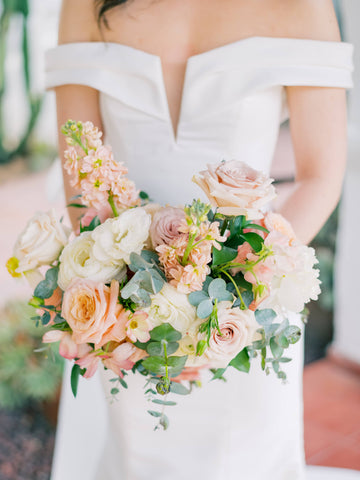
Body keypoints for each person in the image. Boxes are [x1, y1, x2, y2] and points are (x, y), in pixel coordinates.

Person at [45, 1, 354, 479]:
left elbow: (320, 177)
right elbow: (83, 179)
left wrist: (233, 300)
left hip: (246, 313)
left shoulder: (302, 7)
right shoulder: (85, 5)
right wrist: (125, 316)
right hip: (128, 315)